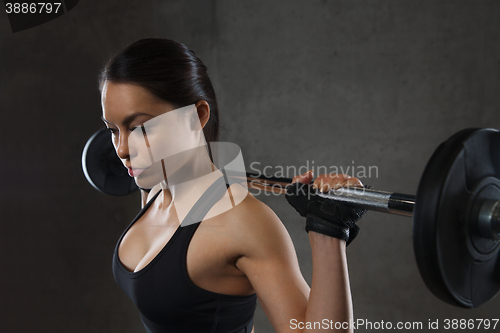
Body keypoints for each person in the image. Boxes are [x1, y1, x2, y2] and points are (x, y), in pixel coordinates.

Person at [99, 38, 364, 333]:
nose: (121, 149)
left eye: (140, 128)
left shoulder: (243, 222)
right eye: (113, 130)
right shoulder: (155, 190)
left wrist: (328, 232)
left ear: (197, 116)